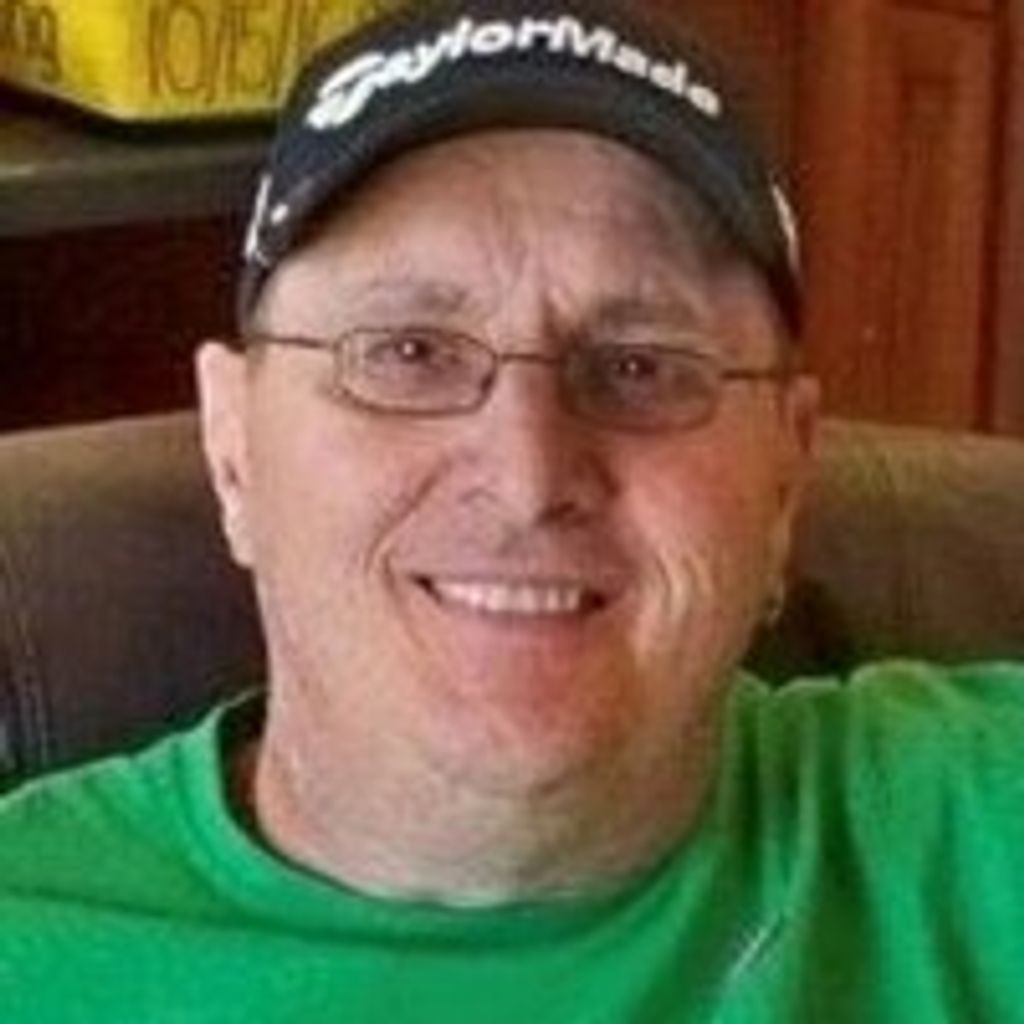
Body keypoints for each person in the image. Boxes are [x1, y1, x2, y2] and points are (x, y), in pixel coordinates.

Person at [2, 1, 1023, 1021]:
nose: (528, 476)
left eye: (640, 366)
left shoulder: (977, 830)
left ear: (784, 479)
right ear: (234, 451)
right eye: (408, 352)